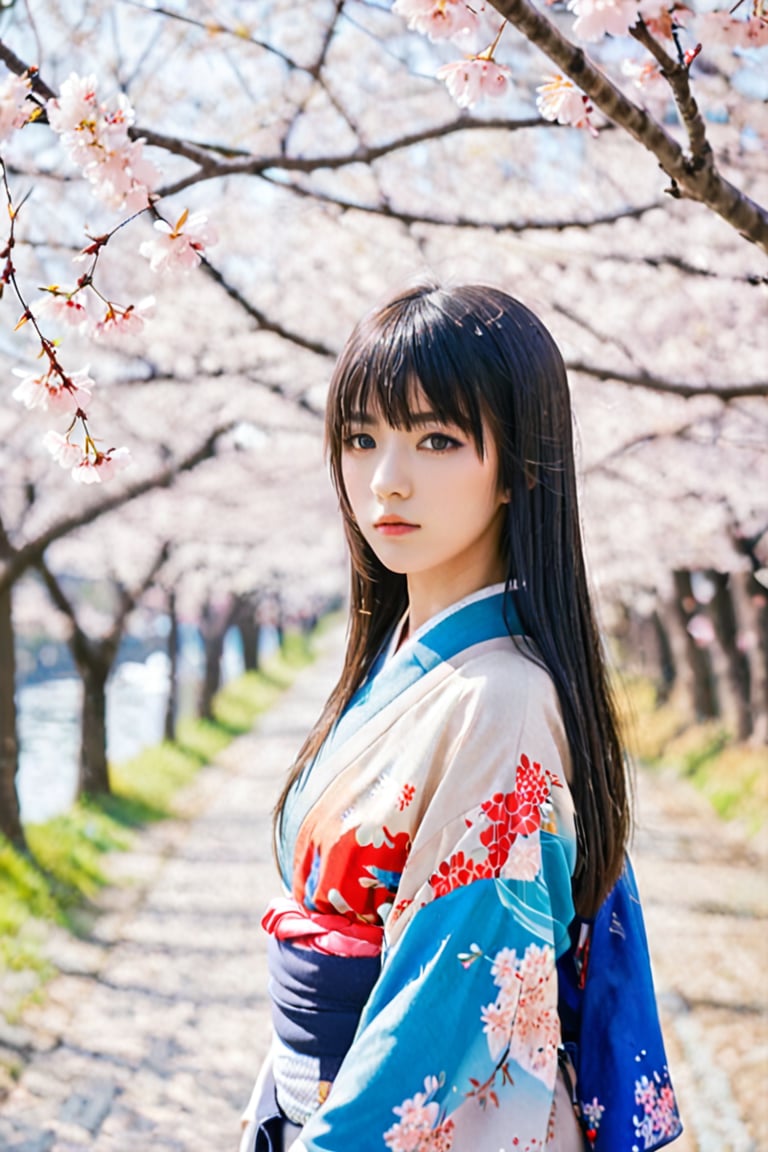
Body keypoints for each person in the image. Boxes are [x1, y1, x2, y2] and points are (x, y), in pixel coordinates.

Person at [240, 283, 683, 1152]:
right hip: (317, 1096)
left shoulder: (501, 699)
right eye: (362, 438)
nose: (386, 479)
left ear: (521, 466)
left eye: (436, 438)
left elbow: (444, 1002)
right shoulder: (403, 658)